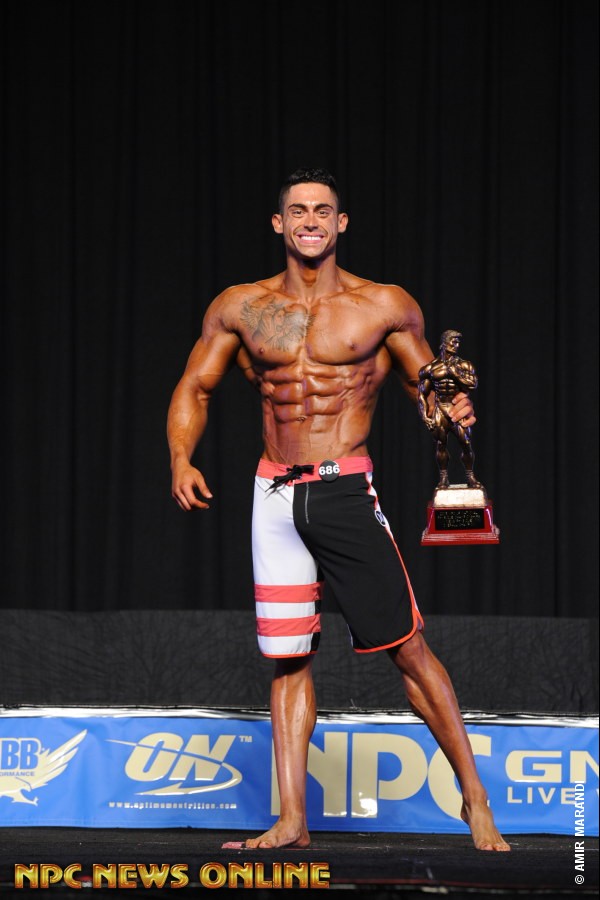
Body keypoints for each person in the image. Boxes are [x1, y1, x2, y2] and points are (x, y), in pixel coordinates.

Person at [167, 168, 510, 852]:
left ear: (341, 222)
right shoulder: (241, 306)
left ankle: (475, 799)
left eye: (322, 210)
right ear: (279, 223)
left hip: (344, 489)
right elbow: (195, 386)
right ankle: (292, 820)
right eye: (298, 210)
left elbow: (425, 386)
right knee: (289, 659)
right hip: (272, 495)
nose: (310, 221)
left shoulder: (381, 305)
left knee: (407, 648)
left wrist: (451, 410)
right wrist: (181, 458)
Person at [417, 330, 481, 488]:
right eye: (453, 341)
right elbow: (422, 394)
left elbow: (473, 384)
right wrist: (425, 416)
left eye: (458, 342)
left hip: (455, 407)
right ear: (444, 343)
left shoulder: (463, 365)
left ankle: (470, 476)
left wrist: (455, 374)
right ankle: (443, 477)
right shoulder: (431, 368)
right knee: (440, 444)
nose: (456, 345)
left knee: (466, 442)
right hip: (440, 408)